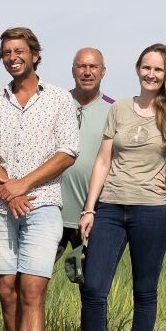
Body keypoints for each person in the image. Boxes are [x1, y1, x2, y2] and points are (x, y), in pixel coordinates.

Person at [0, 27, 78, 331]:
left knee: (32, 288)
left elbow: (67, 152)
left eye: (19, 50)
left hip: (43, 205)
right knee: (7, 289)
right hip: (0, 207)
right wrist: (8, 191)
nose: (12, 56)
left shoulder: (59, 100)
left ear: (35, 55)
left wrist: (23, 185)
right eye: (6, 52)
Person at [78, 44, 166, 331]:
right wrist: (89, 208)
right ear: (138, 69)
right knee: (94, 286)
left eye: (158, 70)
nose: (152, 74)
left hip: (152, 211)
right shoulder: (120, 109)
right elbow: (103, 160)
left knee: (144, 289)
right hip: (110, 206)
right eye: (147, 68)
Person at [59, 48, 114, 252]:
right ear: (73, 70)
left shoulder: (114, 110)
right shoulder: (57, 103)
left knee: (92, 282)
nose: (87, 72)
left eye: (93, 67)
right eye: (82, 66)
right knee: (33, 281)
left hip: (93, 215)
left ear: (103, 71)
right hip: (52, 213)